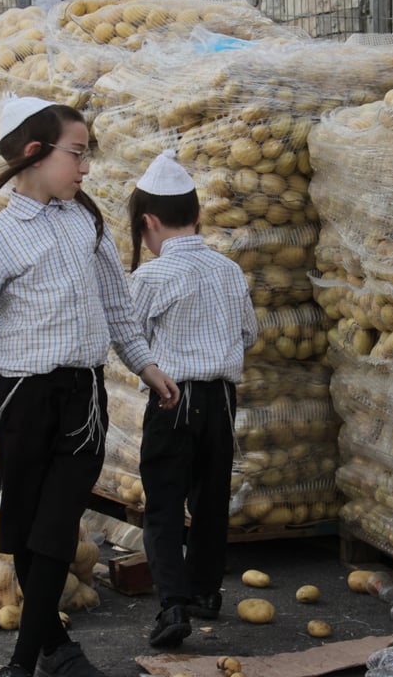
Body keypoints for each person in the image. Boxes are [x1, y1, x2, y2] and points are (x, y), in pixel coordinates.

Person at [0, 96, 181, 677]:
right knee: (25, 528)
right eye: (77, 154)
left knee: (56, 526)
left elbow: (117, 306)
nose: (86, 167)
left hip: (83, 401)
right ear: (32, 153)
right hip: (24, 399)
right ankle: (56, 649)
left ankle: (21, 665)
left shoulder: (84, 222)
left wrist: (144, 364)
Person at [126, 150, 258, 648]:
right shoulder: (226, 271)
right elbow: (249, 334)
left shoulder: (151, 277)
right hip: (221, 399)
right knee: (209, 500)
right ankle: (205, 591)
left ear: (148, 222)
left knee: (163, 503)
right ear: (198, 215)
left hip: (171, 398)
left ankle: (173, 606)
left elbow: (128, 339)